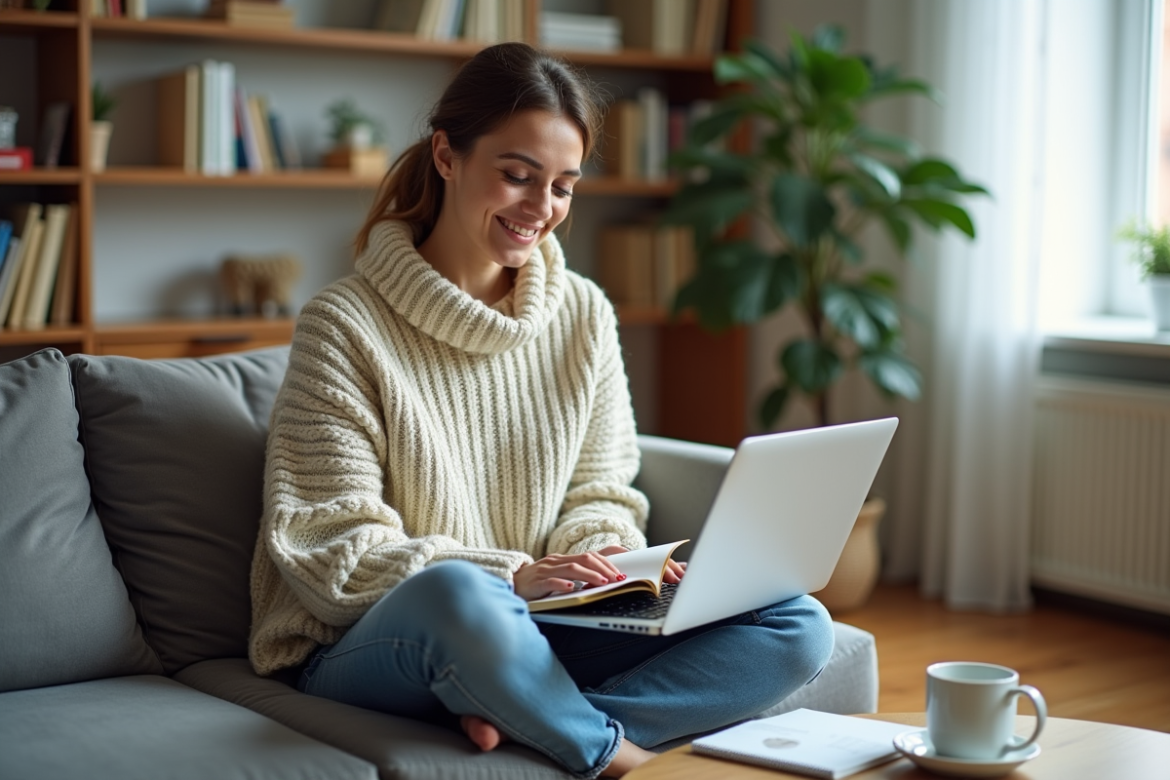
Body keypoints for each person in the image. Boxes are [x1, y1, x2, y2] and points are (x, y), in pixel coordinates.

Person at [248, 42, 834, 779]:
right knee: (461, 594)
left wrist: (616, 569)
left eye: (562, 185)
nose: (541, 209)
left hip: (542, 627)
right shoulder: (343, 324)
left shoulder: (582, 312)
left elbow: (601, 488)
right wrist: (511, 576)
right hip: (374, 636)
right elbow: (330, 544)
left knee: (794, 620)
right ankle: (605, 750)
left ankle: (522, 710)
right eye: (518, 175)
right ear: (446, 156)